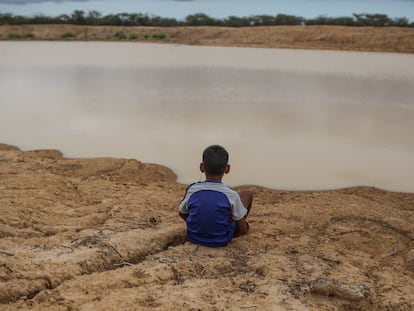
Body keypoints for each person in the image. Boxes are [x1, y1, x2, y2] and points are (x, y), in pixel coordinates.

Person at [178, 145, 253, 247]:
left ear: (201, 167)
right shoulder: (231, 195)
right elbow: (242, 228)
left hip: (194, 237)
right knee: (247, 194)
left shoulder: (193, 189)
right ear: (227, 169)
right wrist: (243, 229)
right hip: (221, 240)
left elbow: (182, 213)